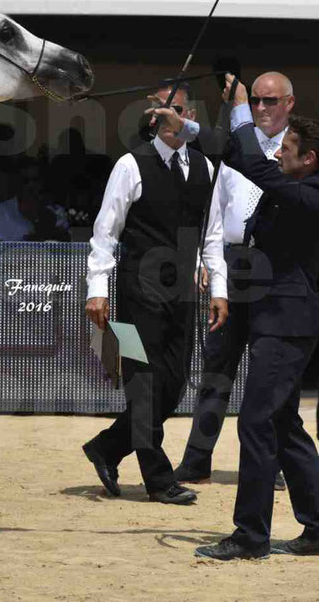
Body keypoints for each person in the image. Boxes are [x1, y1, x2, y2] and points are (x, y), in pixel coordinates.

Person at [81, 83, 228, 505]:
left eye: (175, 110)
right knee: (143, 385)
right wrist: (97, 289)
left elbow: (212, 235)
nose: (166, 118)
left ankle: (107, 448)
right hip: (134, 292)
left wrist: (218, 287)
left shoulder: (205, 168)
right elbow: (105, 233)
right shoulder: (130, 165)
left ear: (190, 115)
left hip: (182, 293)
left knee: (174, 385)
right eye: (160, 111)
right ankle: (158, 479)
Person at [192, 79, 319, 561]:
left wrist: (243, 108)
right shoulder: (294, 183)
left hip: (287, 323)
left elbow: (250, 162)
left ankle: (251, 536)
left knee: (256, 420)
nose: (278, 154)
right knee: (284, 423)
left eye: (286, 148)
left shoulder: (306, 193)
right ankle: (317, 525)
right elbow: (241, 154)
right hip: (280, 317)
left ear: (307, 159)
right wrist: (184, 127)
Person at [175, 72, 296, 488]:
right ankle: (196, 460)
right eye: (257, 101)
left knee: (274, 371)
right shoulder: (232, 150)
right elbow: (214, 209)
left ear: (289, 104)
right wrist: (204, 259)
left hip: (275, 265)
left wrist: (239, 104)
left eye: (271, 101)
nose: (263, 108)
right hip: (231, 260)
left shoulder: (297, 153)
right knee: (216, 365)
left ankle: (278, 461)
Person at [0, 158, 69, 241]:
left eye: (35, 180)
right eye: (25, 181)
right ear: (17, 182)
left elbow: (63, 248)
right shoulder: (2, 211)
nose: (30, 185)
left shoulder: (58, 212)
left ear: (41, 182)